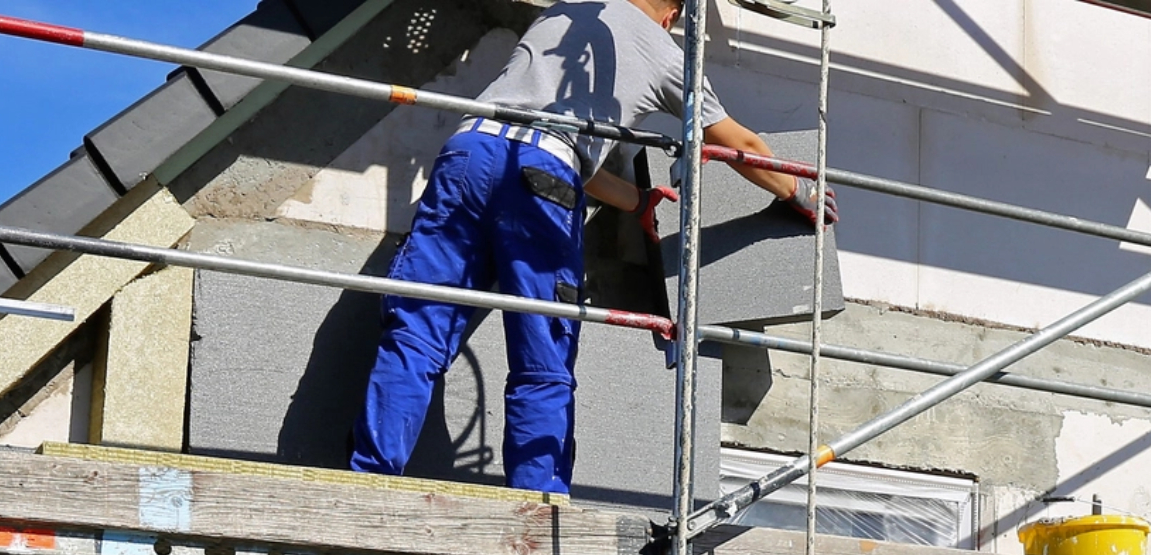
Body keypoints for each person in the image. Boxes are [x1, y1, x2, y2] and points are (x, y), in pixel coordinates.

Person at [349, 0, 831, 494]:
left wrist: (638, 201)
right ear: (672, 15)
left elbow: (547, 146)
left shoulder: (561, 15)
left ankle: (370, 482)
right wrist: (800, 191)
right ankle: (539, 504)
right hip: (542, 174)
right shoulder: (665, 54)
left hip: (468, 153)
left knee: (417, 331)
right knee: (542, 354)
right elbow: (739, 146)